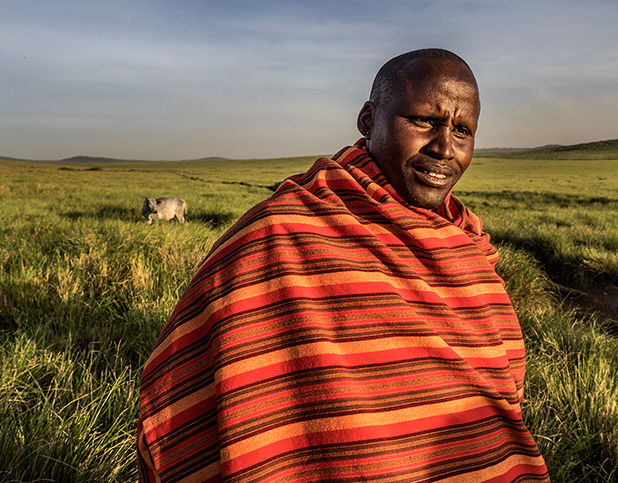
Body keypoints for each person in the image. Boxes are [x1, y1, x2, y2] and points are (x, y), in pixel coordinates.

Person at [137, 48, 550, 482]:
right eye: (424, 121)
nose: (446, 147)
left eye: (463, 130)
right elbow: (183, 390)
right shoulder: (279, 236)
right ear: (368, 120)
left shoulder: (466, 245)